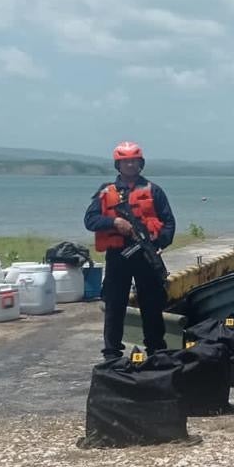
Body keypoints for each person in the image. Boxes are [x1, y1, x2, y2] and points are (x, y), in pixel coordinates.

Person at [83, 141, 176, 359]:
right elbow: (90, 220)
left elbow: (169, 223)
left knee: (151, 304)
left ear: (140, 163)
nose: (130, 165)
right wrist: (114, 223)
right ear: (118, 165)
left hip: (146, 255)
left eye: (134, 161)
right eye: (125, 162)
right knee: (115, 304)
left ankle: (155, 349)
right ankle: (112, 352)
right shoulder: (106, 192)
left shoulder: (154, 190)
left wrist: (159, 244)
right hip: (118, 257)